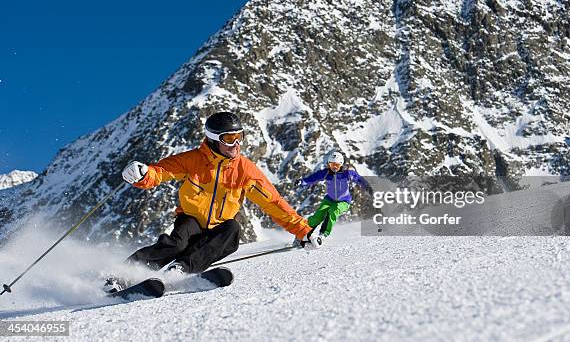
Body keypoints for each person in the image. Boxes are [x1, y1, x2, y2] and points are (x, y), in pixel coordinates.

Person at [104, 111, 314, 292]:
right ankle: (119, 277)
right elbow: (161, 172)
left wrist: (303, 231)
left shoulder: (246, 170)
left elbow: (273, 202)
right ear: (214, 139)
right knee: (175, 244)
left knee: (233, 229)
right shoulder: (194, 160)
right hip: (191, 221)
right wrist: (143, 175)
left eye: (239, 136)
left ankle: (180, 269)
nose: (236, 144)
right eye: (229, 138)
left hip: (219, 229)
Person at [295, 151, 372, 245]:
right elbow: (313, 178)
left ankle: (323, 234)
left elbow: (359, 179)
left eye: (336, 165)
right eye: (332, 165)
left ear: (341, 164)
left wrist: (367, 186)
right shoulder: (326, 173)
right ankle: (302, 234)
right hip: (329, 199)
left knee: (333, 211)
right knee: (318, 216)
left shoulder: (347, 173)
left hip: (344, 201)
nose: (334, 167)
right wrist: (302, 182)